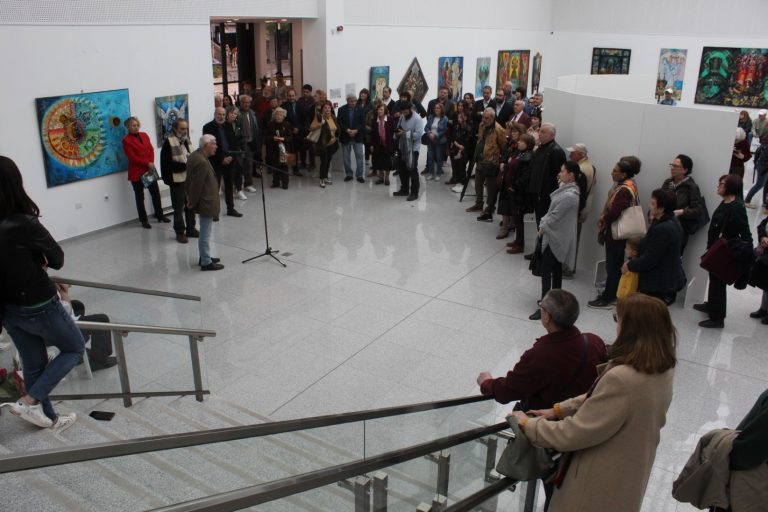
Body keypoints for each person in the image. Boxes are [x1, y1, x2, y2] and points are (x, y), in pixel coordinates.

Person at [512, 292, 676, 512]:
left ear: (631, 328)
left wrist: (529, 425)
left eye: (618, 319)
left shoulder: (622, 379)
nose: (616, 326)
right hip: (629, 472)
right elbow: (602, 397)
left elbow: (574, 433)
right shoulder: (660, 367)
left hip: (597, 483)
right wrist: (558, 410)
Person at [0, 155, 83, 431]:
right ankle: (29, 400)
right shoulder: (24, 222)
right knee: (74, 348)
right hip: (38, 304)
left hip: (8, 309)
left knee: (34, 363)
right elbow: (57, 258)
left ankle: (49, 417)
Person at [694, 174, 752, 328]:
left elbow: (745, 231)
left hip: (724, 250)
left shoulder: (736, 206)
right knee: (714, 278)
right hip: (716, 247)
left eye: (721, 183)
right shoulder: (726, 201)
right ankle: (712, 305)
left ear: (730, 187)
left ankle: (717, 318)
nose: (718, 185)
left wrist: (748, 253)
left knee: (718, 281)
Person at [529, 162, 581, 320]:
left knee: (547, 270)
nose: (559, 173)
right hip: (556, 236)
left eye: (563, 171)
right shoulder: (567, 190)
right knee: (556, 269)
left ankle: (546, 307)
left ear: (571, 175)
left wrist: (542, 225)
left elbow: (555, 215)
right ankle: (557, 303)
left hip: (556, 237)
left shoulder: (569, 196)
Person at [589, 159, 641, 309]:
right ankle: (612, 292)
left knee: (612, 266)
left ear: (623, 174)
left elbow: (615, 212)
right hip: (620, 233)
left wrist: (603, 218)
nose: (612, 173)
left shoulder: (624, 189)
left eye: (615, 171)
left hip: (616, 234)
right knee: (615, 264)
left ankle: (608, 297)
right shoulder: (630, 184)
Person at [622, 189, 686, 304]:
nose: (649, 206)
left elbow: (650, 259)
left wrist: (630, 265)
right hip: (661, 278)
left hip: (658, 284)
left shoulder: (664, 229)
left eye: (652, 204)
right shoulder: (668, 221)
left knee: (648, 311)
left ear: (661, 209)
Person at [121, 117, 169, 229]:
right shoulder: (126, 140)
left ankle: (160, 215)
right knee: (140, 197)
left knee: (155, 194)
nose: (136, 127)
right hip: (137, 173)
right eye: (133, 125)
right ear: (128, 127)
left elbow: (151, 150)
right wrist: (147, 163)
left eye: (137, 125)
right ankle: (144, 220)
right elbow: (132, 158)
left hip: (149, 171)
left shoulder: (144, 135)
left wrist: (151, 162)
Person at [186, 135, 223, 271]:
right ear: (206, 145)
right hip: (206, 201)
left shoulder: (197, 155)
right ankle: (206, 262)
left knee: (205, 231)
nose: (216, 147)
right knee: (205, 233)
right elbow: (197, 184)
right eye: (214, 144)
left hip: (204, 200)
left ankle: (204, 256)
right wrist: (192, 201)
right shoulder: (201, 161)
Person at [161, 118, 199, 243]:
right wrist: (186, 166)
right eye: (182, 128)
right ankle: (180, 232)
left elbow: (192, 156)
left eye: (186, 128)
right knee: (178, 208)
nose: (185, 131)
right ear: (175, 129)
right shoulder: (168, 142)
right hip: (176, 180)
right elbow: (167, 164)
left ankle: (191, 228)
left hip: (189, 179)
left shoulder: (187, 140)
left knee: (191, 205)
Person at [526, 123, 567, 235]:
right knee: (539, 223)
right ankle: (539, 245)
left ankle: (542, 246)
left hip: (546, 196)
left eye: (543, 132)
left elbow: (558, 177)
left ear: (552, 135)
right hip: (537, 193)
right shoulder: (541, 148)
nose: (539, 133)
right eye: (540, 131)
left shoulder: (556, 151)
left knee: (544, 225)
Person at [203, 107, 242, 219]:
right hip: (216, 161)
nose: (221, 117)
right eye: (219, 114)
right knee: (215, 187)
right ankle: (215, 212)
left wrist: (231, 156)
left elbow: (233, 143)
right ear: (215, 114)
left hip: (229, 159)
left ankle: (231, 208)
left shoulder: (228, 125)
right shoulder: (208, 127)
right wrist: (221, 159)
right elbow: (209, 146)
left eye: (223, 114)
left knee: (229, 185)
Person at [660, 154, 704, 252]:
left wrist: (682, 212)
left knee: (672, 258)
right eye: (672, 165)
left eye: (676, 166)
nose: (672, 168)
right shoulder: (668, 182)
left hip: (678, 230)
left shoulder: (691, 187)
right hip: (662, 226)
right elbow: (659, 200)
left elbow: (698, 210)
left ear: (685, 170)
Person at [470, 108, 507, 222]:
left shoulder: (499, 129)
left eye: (486, 118)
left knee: (491, 189)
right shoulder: (482, 125)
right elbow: (480, 140)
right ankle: (479, 203)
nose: (484, 120)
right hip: (480, 159)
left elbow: (504, 146)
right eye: (483, 117)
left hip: (491, 163)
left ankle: (489, 208)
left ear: (492, 118)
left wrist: (499, 160)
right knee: (478, 183)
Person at [504, 133, 535, 254]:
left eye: (522, 141)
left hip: (519, 192)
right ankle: (517, 240)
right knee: (516, 218)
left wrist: (515, 186)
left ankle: (520, 244)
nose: (519, 142)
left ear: (528, 144)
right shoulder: (520, 153)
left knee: (519, 218)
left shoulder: (529, 156)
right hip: (514, 190)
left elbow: (525, 176)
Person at [392, 101, 424, 201]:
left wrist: (403, 133)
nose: (404, 114)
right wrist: (396, 133)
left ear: (410, 109)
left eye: (406, 112)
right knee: (402, 169)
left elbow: (418, 135)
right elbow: (399, 128)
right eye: (402, 112)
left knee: (412, 170)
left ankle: (414, 193)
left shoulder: (417, 119)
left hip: (413, 149)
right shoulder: (402, 116)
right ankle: (404, 189)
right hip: (402, 147)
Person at [309, 100, 339, 188]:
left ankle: (325, 177)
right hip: (323, 144)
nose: (327, 109)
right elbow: (311, 128)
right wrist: (320, 124)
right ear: (322, 109)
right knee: (324, 162)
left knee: (328, 161)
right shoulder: (319, 117)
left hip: (332, 143)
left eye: (329, 108)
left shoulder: (333, 117)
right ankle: (321, 178)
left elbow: (336, 128)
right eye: (325, 108)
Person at [338, 93, 367, 183]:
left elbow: (363, 123)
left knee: (359, 156)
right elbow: (339, 122)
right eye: (351, 101)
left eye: (355, 101)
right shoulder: (341, 110)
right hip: (346, 136)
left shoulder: (361, 109)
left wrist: (356, 130)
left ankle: (359, 175)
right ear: (347, 101)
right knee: (346, 157)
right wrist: (347, 130)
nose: (354, 103)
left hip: (357, 136)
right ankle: (349, 174)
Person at [265, 107, 294, 190]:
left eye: (280, 115)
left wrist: (283, 139)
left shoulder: (287, 124)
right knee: (275, 166)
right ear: (274, 116)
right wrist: (273, 138)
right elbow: (266, 137)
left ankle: (285, 183)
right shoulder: (270, 124)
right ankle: (276, 182)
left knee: (284, 166)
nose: (278, 116)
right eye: (277, 114)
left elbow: (290, 137)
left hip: (284, 148)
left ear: (283, 116)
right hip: (273, 148)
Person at [237, 94, 261, 191]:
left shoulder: (253, 113)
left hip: (251, 143)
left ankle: (248, 184)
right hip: (240, 143)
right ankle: (238, 186)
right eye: (244, 102)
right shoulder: (237, 113)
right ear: (241, 103)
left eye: (248, 102)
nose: (246, 104)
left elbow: (256, 128)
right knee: (239, 165)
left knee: (249, 164)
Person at [369, 103, 396, 186]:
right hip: (377, 144)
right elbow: (372, 134)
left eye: (381, 109)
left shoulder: (390, 119)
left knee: (387, 162)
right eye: (378, 109)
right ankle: (381, 177)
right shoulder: (374, 120)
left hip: (387, 144)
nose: (379, 111)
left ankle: (387, 178)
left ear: (385, 111)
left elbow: (393, 132)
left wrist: (392, 143)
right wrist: (371, 145)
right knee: (378, 162)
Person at [448, 110, 475, 190]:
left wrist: (460, 149)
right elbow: (453, 138)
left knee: (461, 166)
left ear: (465, 118)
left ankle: (462, 183)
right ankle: (456, 179)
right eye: (458, 117)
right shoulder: (456, 127)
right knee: (455, 165)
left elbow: (468, 142)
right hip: (456, 148)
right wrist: (457, 145)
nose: (458, 119)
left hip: (466, 150)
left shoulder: (469, 128)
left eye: (460, 117)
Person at [749, 216, 768, 325]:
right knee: (766, 284)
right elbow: (761, 225)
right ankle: (764, 309)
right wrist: (763, 237)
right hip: (765, 255)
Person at [281, 87, 303, 177]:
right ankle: (288, 169)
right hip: (288, 132)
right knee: (289, 151)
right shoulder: (283, 106)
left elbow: (303, 119)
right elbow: (284, 119)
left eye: (293, 96)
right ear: (287, 96)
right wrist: (292, 128)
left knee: (296, 151)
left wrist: (298, 128)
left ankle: (296, 169)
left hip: (298, 132)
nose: (291, 97)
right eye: (289, 96)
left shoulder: (300, 105)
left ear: (295, 96)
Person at [424, 102, 448, 181]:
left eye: (438, 108)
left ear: (441, 109)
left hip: (439, 141)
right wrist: (429, 133)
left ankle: (438, 173)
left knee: (439, 157)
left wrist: (435, 135)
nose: (436, 109)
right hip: (430, 140)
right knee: (430, 157)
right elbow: (426, 127)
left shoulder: (445, 118)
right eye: (435, 108)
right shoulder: (431, 117)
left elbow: (444, 130)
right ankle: (431, 173)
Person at [745, 132, 768, 209]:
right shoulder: (766, 146)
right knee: (759, 185)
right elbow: (764, 158)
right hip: (763, 167)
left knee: (763, 184)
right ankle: (747, 201)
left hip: (761, 165)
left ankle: (765, 202)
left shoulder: (764, 143)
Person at [297, 84, 316, 172]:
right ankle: (303, 163)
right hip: (301, 127)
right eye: (304, 92)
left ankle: (312, 164)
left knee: (311, 147)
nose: (305, 93)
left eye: (307, 92)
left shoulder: (313, 101)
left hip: (310, 127)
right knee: (302, 147)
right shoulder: (299, 100)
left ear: (310, 92)